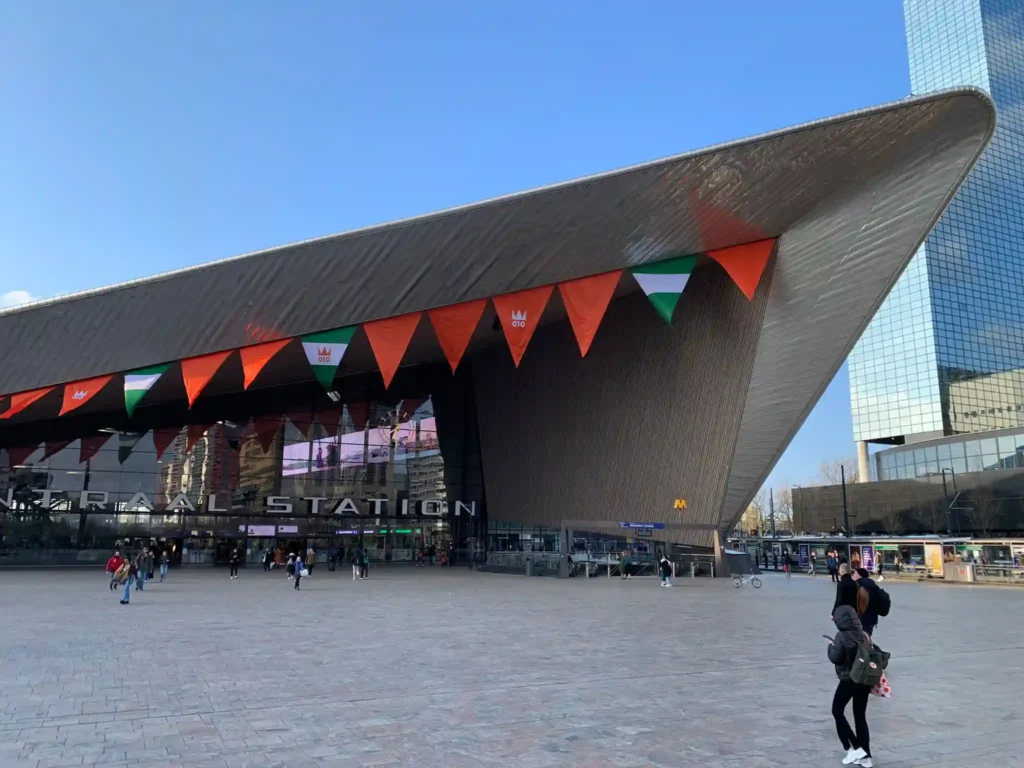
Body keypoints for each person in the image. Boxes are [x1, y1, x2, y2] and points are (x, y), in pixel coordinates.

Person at [827, 591, 875, 767]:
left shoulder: (841, 636)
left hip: (848, 679)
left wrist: (830, 647)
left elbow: (835, 657)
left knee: (837, 710)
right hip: (864, 679)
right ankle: (866, 757)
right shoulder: (863, 634)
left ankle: (854, 747)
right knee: (860, 716)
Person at [853, 568, 890, 637]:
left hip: (862, 617)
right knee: (866, 636)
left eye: (854, 573)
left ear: (859, 575)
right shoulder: (871, 583)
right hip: (872, 618)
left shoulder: (859, 584)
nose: (853, 575)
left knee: (860, 638)